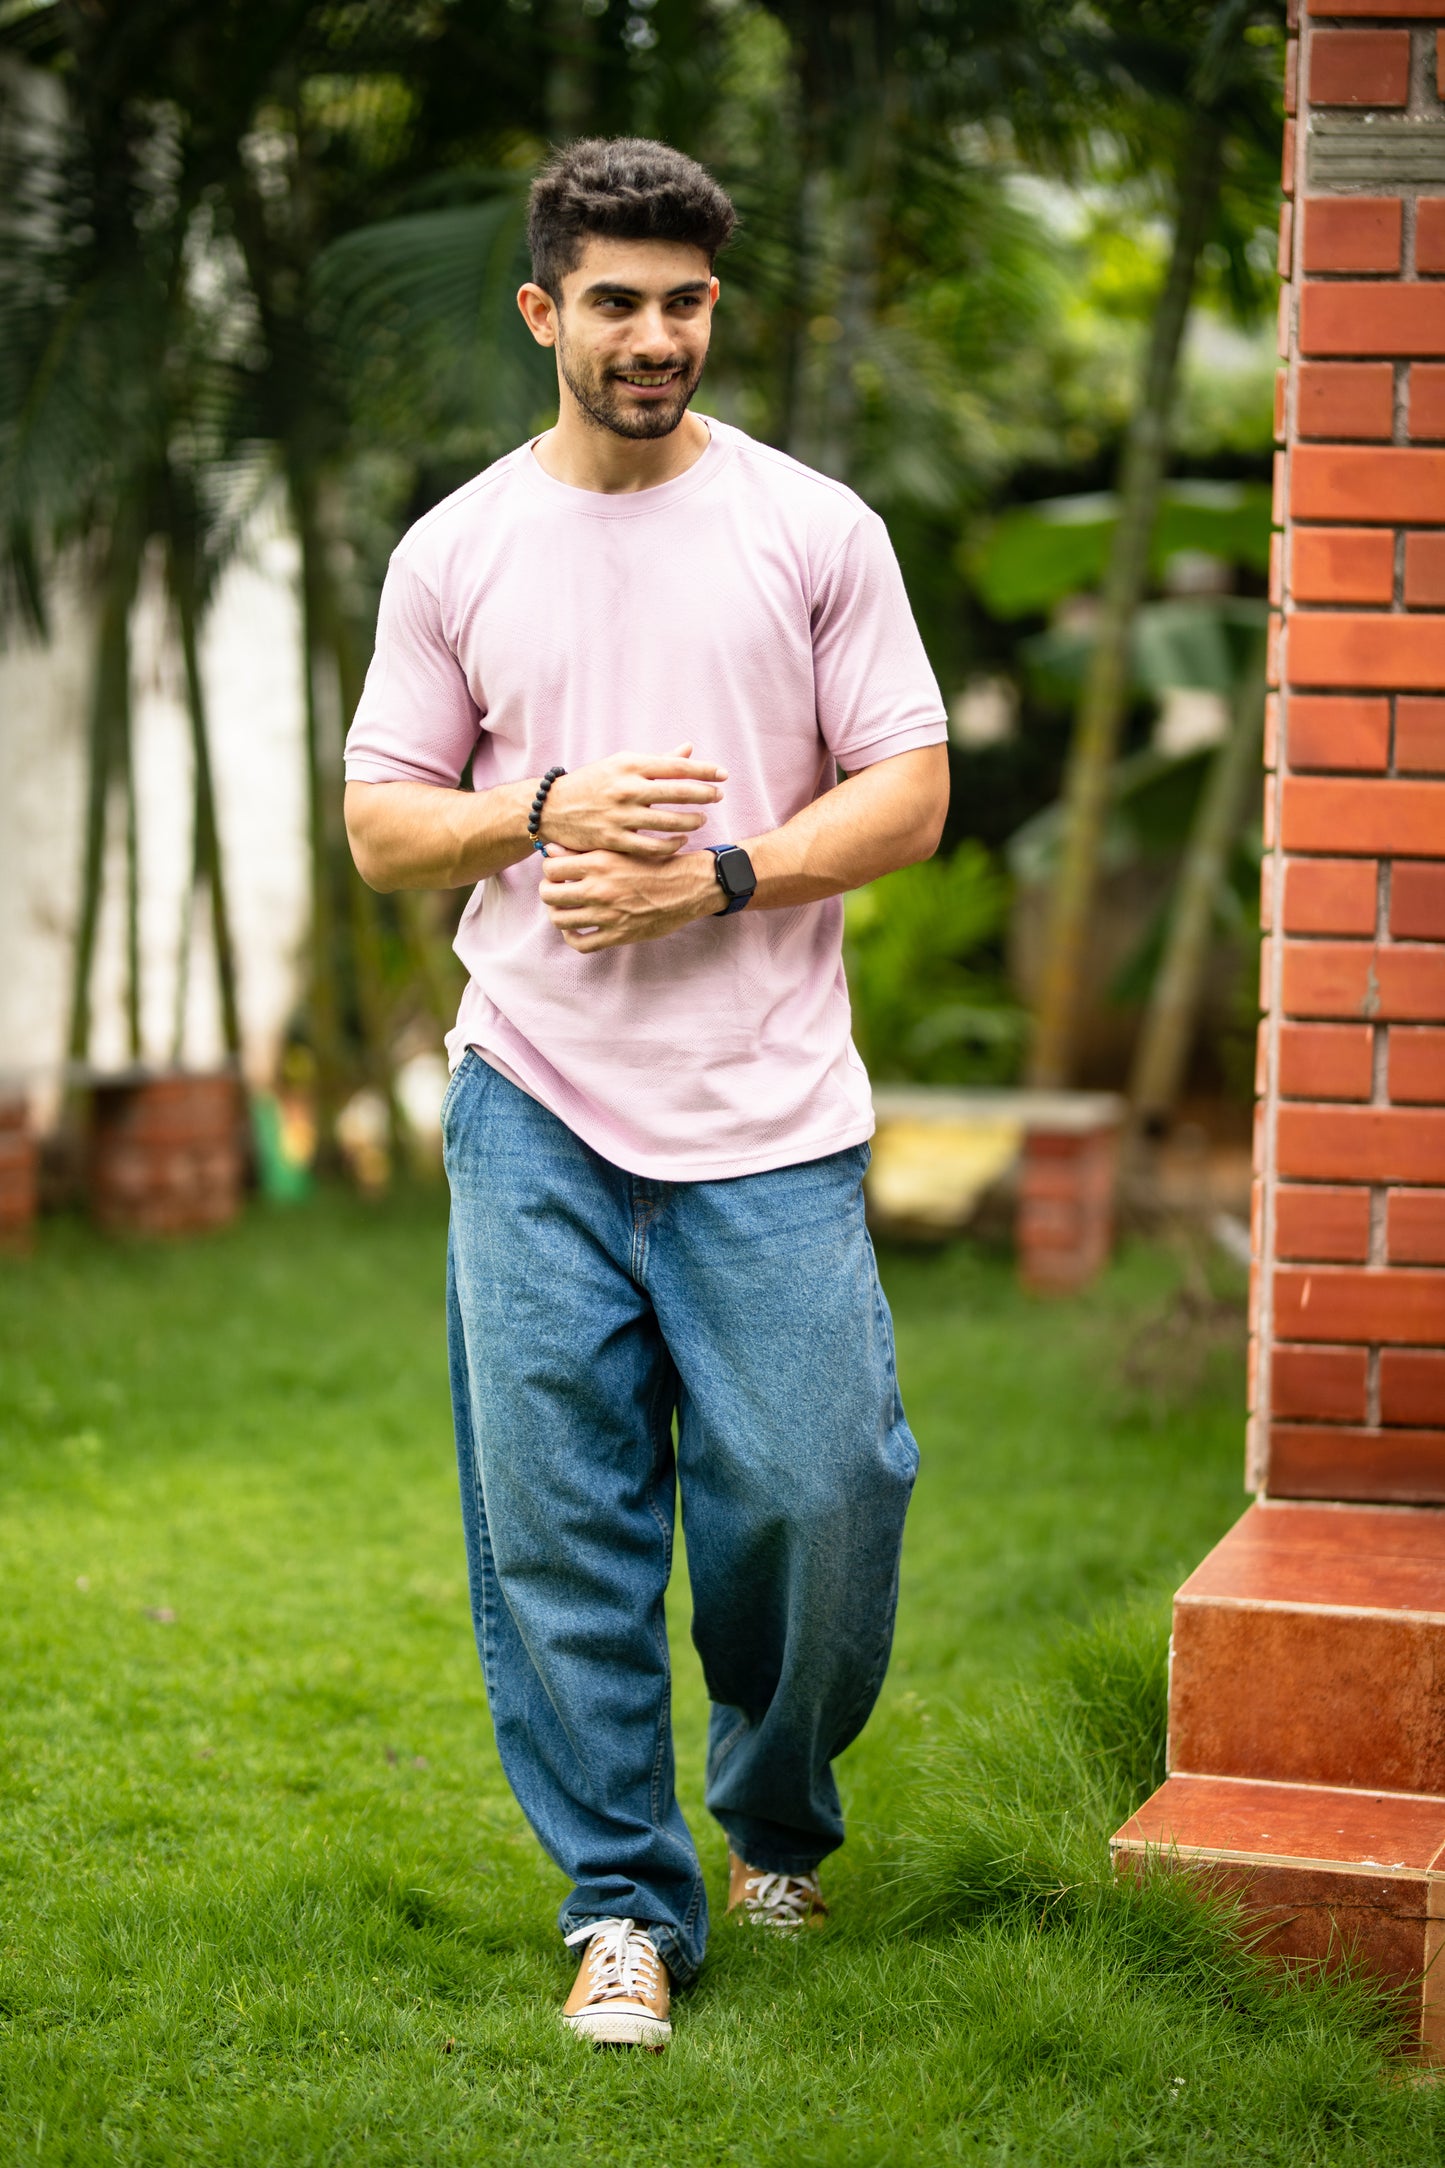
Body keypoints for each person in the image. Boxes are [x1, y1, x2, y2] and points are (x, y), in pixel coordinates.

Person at [343, 135, 950, 2051]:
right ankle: (620, 1897)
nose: (654, 335)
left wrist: (719, 875)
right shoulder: (458, 547)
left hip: (768, 1102)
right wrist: (535, 814)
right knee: (562, 1520)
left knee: (823, 1487)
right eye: (615, 300)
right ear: (544, 311)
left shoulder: (811, 528)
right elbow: (376, 823)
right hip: (532, 1095)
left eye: (684, 301)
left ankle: (773, 1810)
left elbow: (912, 787)